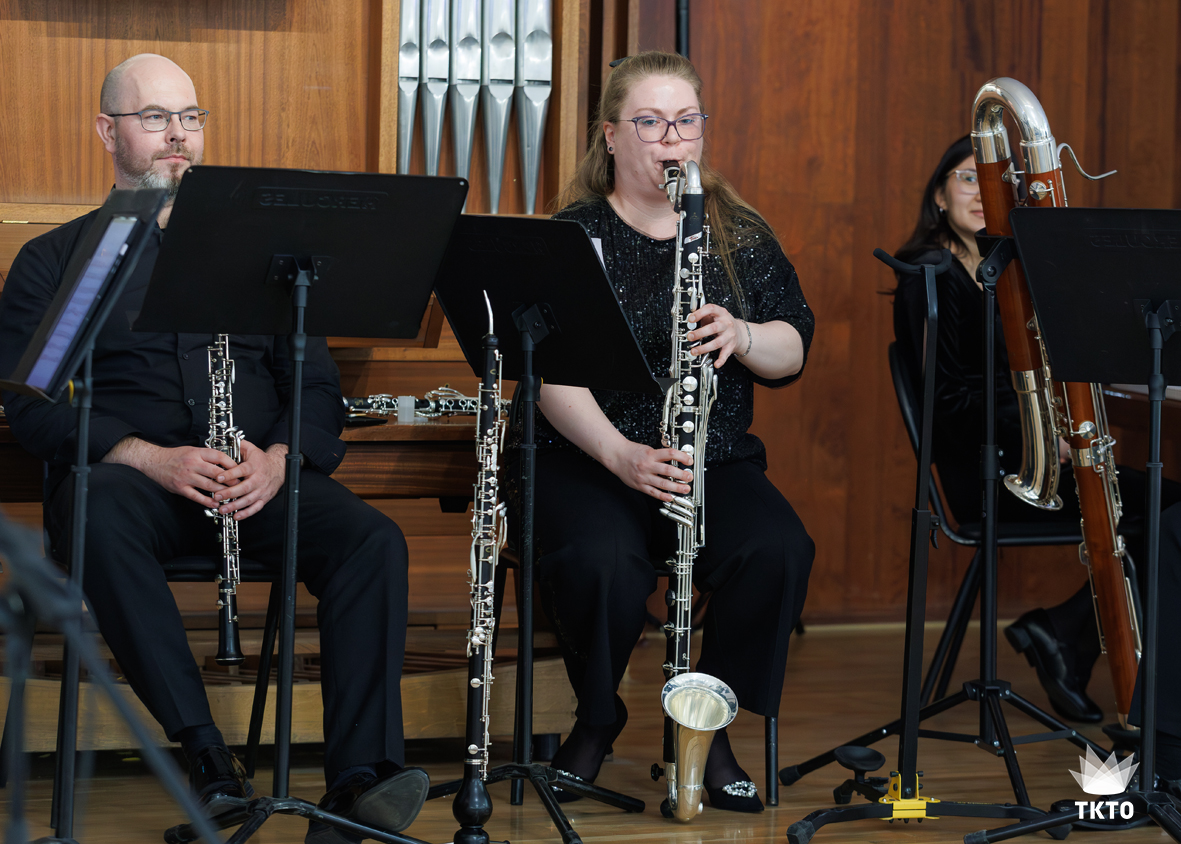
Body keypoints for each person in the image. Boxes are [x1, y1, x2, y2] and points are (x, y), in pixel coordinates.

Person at [0, 54, 426, 844]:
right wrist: (147, 456)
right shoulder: (60, 262)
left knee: (371, 540)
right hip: (133, 491)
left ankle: (359, 783)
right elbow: (31, 406)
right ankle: (206, 760)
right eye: (155, 117)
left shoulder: (267, 261)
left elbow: (316, 387)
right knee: (95, 511)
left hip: (254, 481)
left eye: (189, 118)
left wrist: (279, 458)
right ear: (108, 132)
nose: (178, 135)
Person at [522, 50, 815, 814]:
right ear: (611, 135)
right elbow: (549, 374)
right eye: (650, 122)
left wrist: (743, 335)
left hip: (707, 454)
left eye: (685, 121)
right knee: (600, 561)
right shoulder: (574, 235)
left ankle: (705, 723)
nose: (671, 139)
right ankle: (597, 718)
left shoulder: (735, 232)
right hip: (589, 453)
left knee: (777, 549)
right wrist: (621, 455)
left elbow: (792, 346)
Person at [892, 135, 1181, 724]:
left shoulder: (1000, 269)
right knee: (1166, 514)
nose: (983, 192)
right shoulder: (930, 271)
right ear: (939, 195)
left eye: (996, 182)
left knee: (1167, 511)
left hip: (1028, 457)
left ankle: (1065, 636)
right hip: (992, 474)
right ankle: (1067, 638)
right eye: (968, 178)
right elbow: (948, 402)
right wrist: (1044, 437)